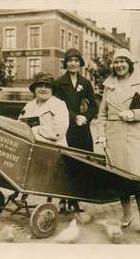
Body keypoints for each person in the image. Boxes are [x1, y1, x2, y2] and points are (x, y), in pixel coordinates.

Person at [96, 48, 140, 237]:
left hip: (134, 135)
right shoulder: (108, 85)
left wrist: (133, 114)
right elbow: (102, 114)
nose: (119, 65)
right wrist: (101, 135)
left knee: (138, 179)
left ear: (130, 64)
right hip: (113, 136)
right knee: (119, 178)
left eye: (123, 61)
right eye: (116, 62)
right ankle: (127, 213)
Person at [54, 48, 98, 213]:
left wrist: (86, 117)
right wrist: (75, 118)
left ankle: (76, 199)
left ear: (80, 63)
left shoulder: (86, 83)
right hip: (66, 129)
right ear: (66, 63)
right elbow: (57, 107)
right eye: (70, 60)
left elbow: (94, 106)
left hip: (83, 131)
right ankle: (62, 199)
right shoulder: (59, 83)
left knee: (81, 163)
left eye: (76, 60)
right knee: (65, 164)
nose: (73, 63)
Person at [18, 71, 69, 146]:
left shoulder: (59, 105)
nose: (43, 89)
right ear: (34, 89)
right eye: (40, 85)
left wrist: (35, 130)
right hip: (30, 147)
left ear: (52, 90)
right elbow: (20, 125)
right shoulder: (29, 106)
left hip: (54, 149)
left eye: (47, 86)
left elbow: (58, 131)